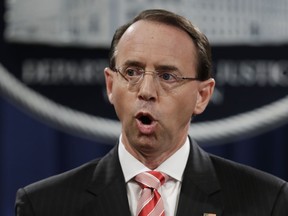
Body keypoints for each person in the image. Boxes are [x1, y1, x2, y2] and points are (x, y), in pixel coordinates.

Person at [15, 9, 288, 216]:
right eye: (132, 72)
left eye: (167, 76)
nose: (146, 90)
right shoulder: (43, 205)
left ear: (202, 96)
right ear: (111, 85)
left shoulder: (266, 201)